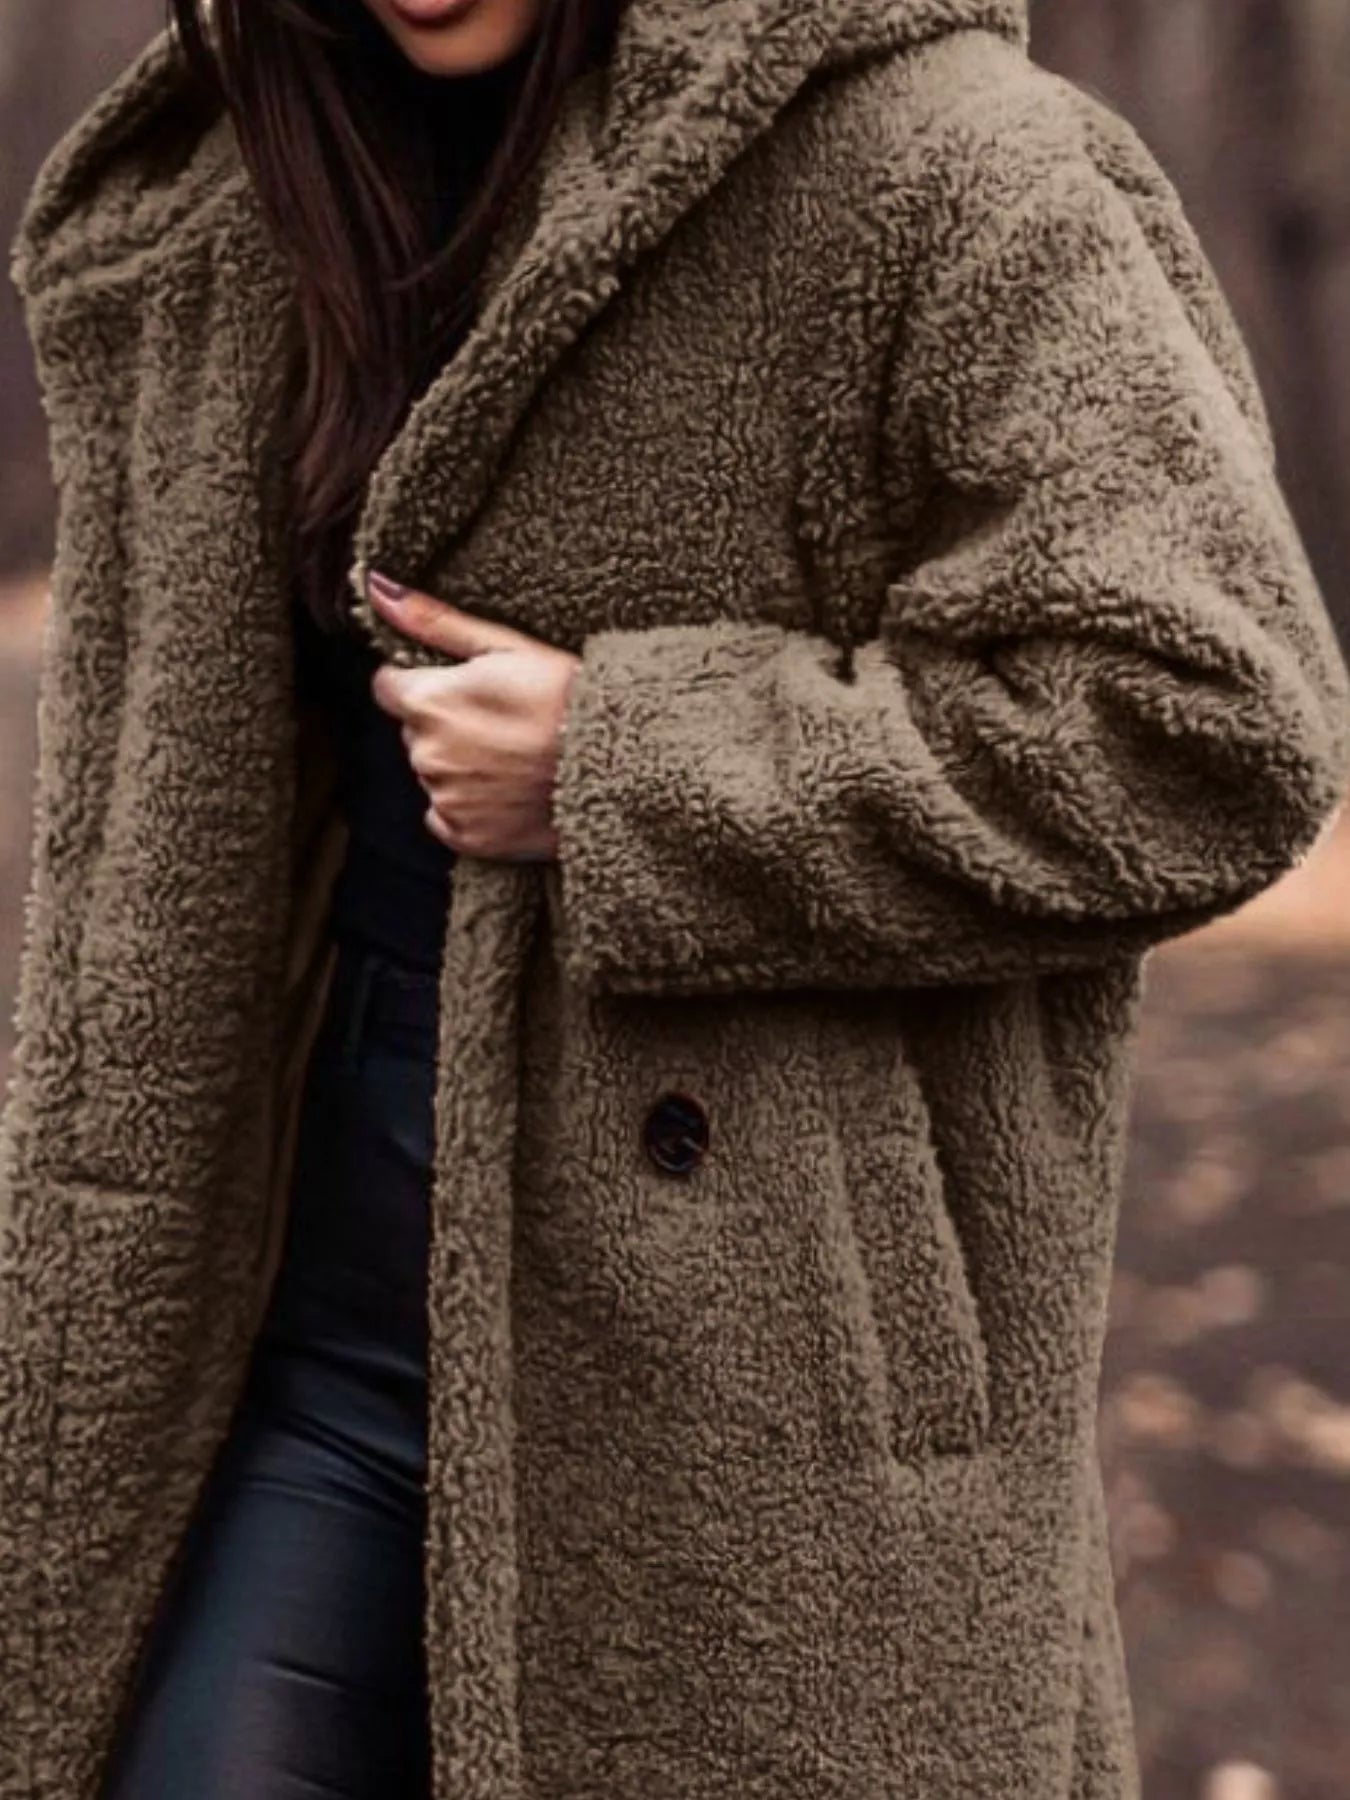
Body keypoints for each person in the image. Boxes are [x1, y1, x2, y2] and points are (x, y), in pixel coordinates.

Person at [3, 0, 1348, 1796]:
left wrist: (630, 766)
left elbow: (1209, 725)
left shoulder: (943, 163)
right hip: (292, 1326)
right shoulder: (248, 207)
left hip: (752, 1393)